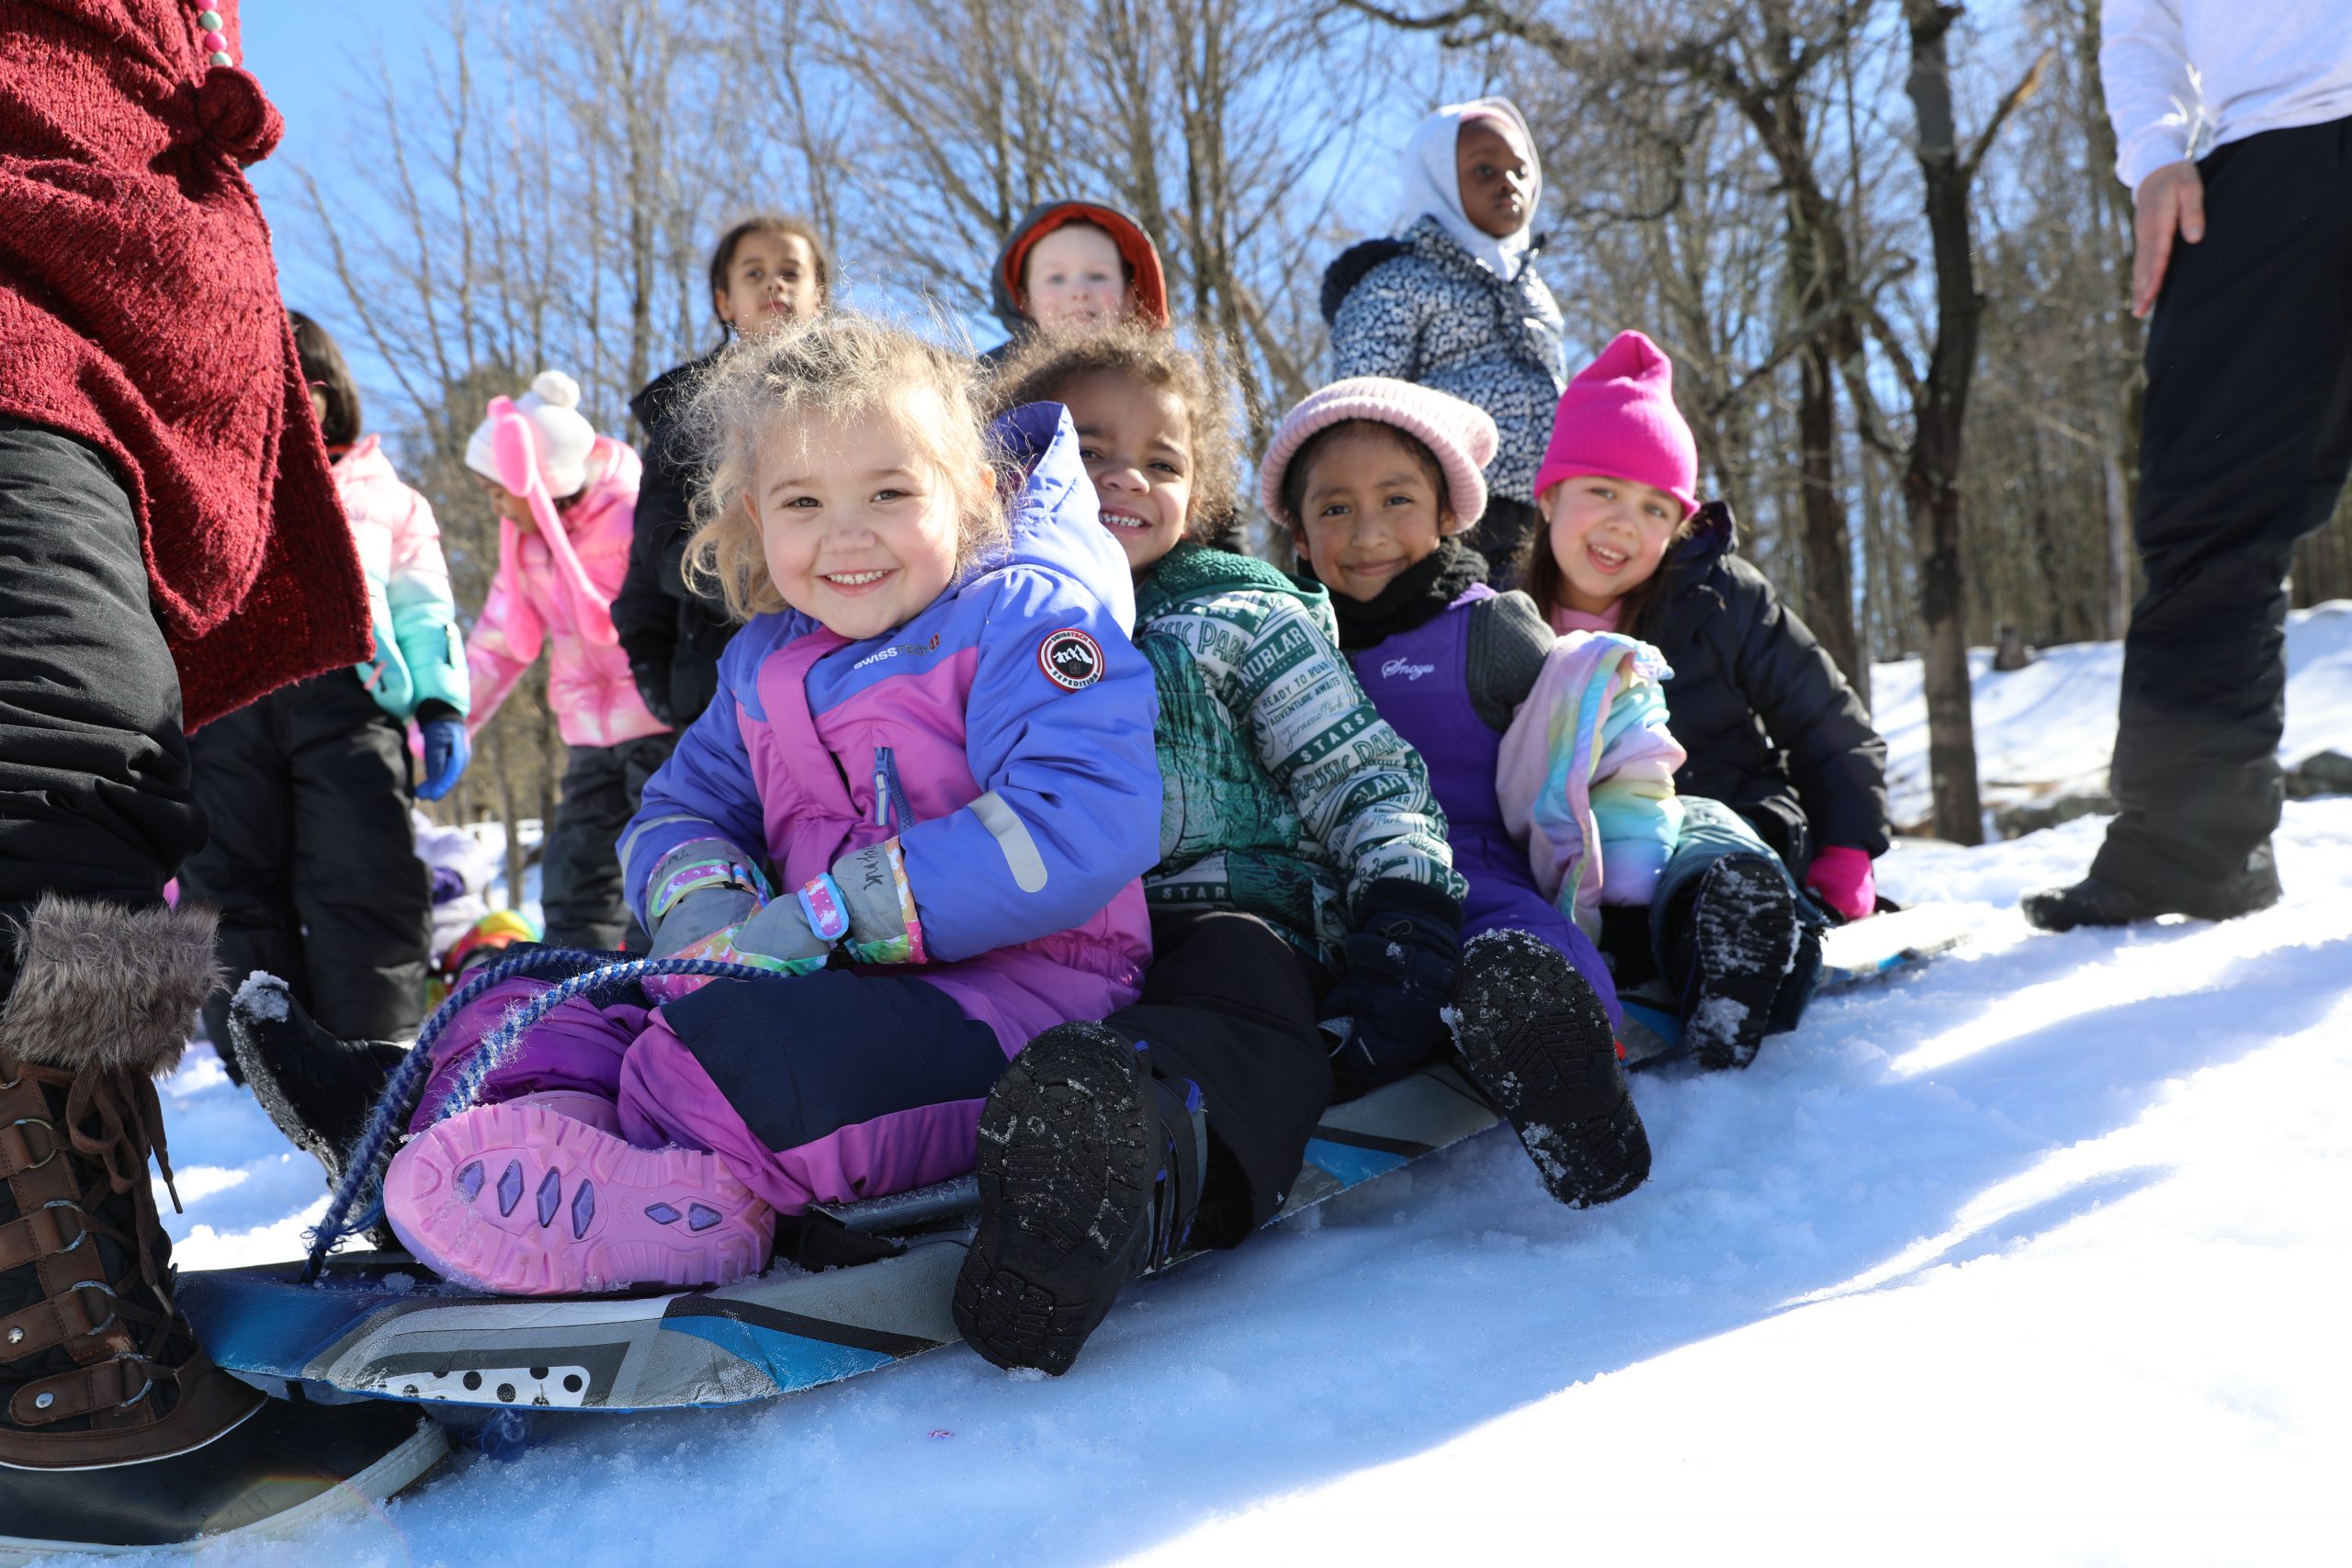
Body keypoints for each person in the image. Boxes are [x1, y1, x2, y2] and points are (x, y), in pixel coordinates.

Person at [375, 311, 1161, 1299]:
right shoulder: (765, 662)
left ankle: (684, 1206)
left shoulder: (1024, 616)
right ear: (755, 516)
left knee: (734, 1060)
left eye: (888, 492)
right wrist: (707, 908)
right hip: (803, 976)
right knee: (521, 999)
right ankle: (511, 1150)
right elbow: (680, 806)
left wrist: (835, 913)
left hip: (1012, 1005)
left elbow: (1077, 815)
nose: (846, 534)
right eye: (803, 502)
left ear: (967, 491)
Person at [971, 324, 1642, 1379]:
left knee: (1242, 1014)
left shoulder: (1240, 614)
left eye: (1161, 462)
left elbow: (1359, 772)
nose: (1126, 479)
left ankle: (1121, 1158)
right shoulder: (975, 625)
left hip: (1226, 915)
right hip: (1037, 933)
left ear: (1200, 494)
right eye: (1088, 451)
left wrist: (1407, 907)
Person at [1, 2, 443, 1549]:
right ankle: (46, 1378)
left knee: (114, 805)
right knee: (58, 772)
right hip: (23, 302)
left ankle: (88, 1285)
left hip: (91, 317)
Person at [1257, 374, 1666, 1175]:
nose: (1368, 531)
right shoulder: (1287, 644)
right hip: (1331, 891)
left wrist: (1627, 892)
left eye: (1397, 500)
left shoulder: (1487, 629)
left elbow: (1588, 740)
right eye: (1335, 508)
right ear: (1299, 533)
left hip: (1468, 873)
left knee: (1515, 942)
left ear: (1448, 512)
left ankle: (1558, 1053)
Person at [2025, 2, 2352, 930]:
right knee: (2207, 507)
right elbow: (2139, 24)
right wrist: (2155, 153)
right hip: (2255, 160)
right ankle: (2191, 849)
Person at [1518, 333, 1890, 1068]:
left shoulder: (1719, 597)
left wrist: (1848, 848)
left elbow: (1825, 720)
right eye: (1603, 492)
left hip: (1723, 818)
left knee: (1707, 838)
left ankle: (1742, 949)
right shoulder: (1502, 619)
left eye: (1656, 508)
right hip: (1569, 853)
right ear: (1551, 494)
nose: (1625, 523)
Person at [179, 312, 472, 1059]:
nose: (284, 400)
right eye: (263, 381)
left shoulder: (387, 496)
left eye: (300, 384)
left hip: (348, 694)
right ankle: (266, 1054)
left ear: (331, 395)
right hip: (230, 702)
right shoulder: (205, 475)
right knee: (230, 881)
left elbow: (424, 607)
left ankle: (376, 1049)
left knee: (365, 864)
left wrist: (440, 703)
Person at [462, 370, 673, 951]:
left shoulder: (631, 516)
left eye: (498, 491)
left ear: (538, 480)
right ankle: (574, 983)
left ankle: (662, 976)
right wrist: (451, 722)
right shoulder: (525, 547)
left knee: (659, 867)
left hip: (660, 732)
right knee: (574, 876)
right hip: (587, 739)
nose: (495, 506)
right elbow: (496, 644)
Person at [1323, 98, 1565, 586]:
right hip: (1455, 509)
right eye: (1484, 170)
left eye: (1520, 171)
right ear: (1438, 179)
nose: (1508, 183)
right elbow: (1362, 405)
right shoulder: (1399, 280)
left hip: (1546, 511)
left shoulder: (1535, 291)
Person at [615, 214, 831, 732]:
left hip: (844, 671)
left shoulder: (866, 395)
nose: (774, 283)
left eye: (790, 271)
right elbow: (656, 551)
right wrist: (657, 677)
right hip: (722, 692)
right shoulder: (685, 413)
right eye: (754, 273)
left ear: (819, 294)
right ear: (725, 301)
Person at [980, 200, 1170, 368]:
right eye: (1056, 278)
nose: (1079, 291)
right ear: (1025, 300)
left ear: (1129, 297)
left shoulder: (1157, 380)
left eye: (1097, 276)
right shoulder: (990, 379)